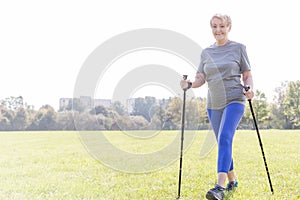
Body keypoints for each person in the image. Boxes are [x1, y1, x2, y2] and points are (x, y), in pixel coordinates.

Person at [181, 13, 254, 200]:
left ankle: (219, 188)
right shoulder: (206, 53)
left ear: (229, 27)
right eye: (214, 26)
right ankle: (232, 181)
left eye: (221, 26)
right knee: (223, 142)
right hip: (213, 104)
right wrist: (190, 84)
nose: (218, 30)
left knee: (224, 138)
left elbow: (246, 74)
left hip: (234, 99)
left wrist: (250, 88)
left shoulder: (238, 48)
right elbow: (201, 78)